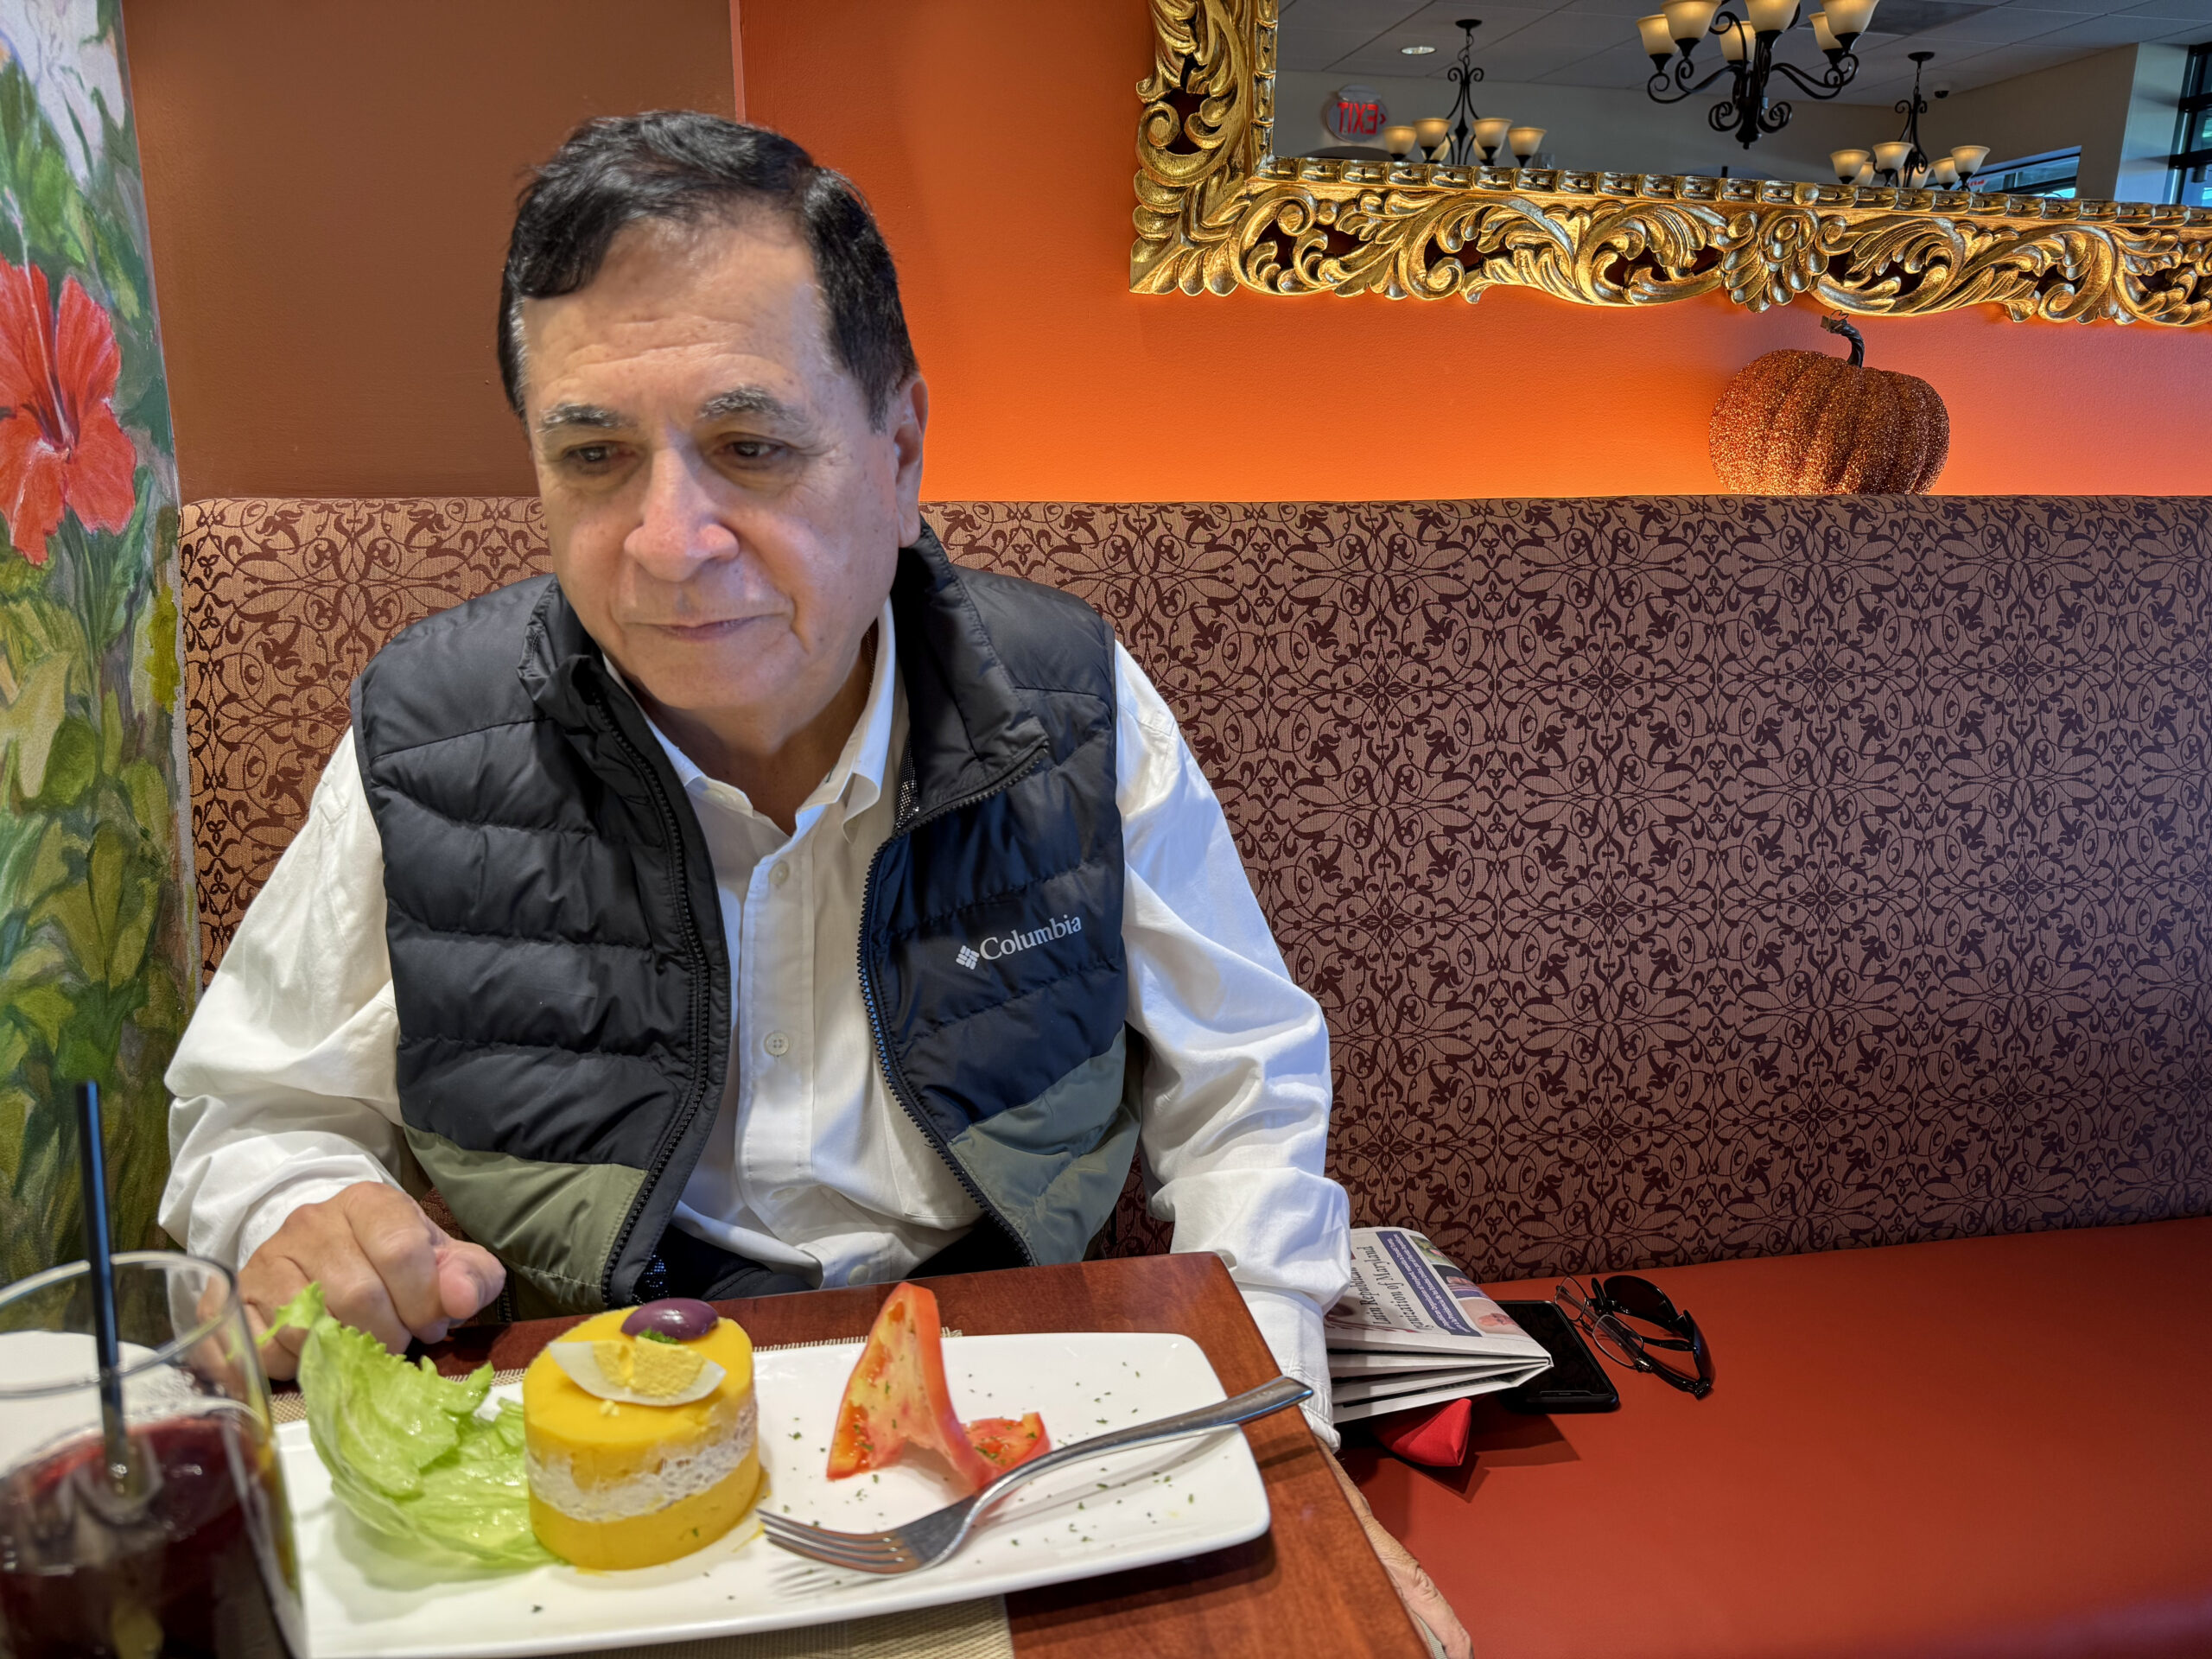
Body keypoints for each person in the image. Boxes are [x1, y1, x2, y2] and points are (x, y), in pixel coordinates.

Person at [160, 112, 1470, 1657]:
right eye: (592, 456)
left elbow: (1243, 1085)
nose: (668, 542)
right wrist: (311, 1209)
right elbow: (251, 1113)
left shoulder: (1073, 707)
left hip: (1005, 1390)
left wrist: (1272, 1420)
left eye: (753, 446)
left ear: (902, 453)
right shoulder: (429, 739)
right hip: (602, 1420)